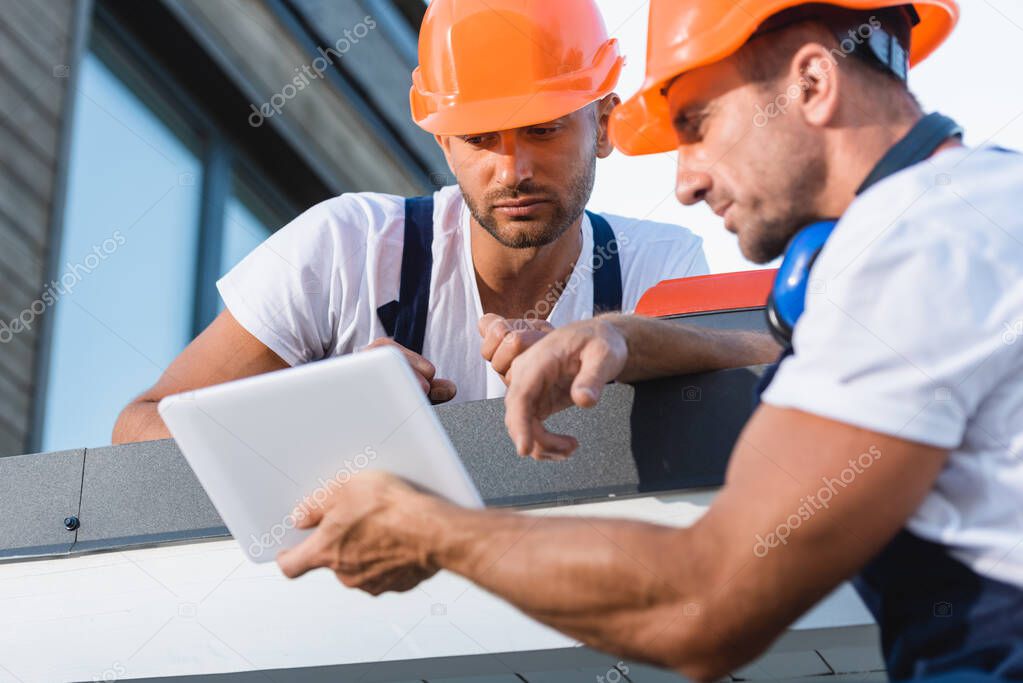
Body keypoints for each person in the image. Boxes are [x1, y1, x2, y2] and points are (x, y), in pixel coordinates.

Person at [275, 1, 1023, 680]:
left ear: (811, 83)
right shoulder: (969, 216)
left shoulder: (916, 250)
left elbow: (701, 603)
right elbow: (826, 373)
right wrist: (630, 336)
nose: (686, 181)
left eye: (695, 125)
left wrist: (429, 529)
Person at [112, 0, 777, 444]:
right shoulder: (344, 247)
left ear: (602, 124)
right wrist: (317, 410)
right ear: (442, 144)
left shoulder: (655, 267)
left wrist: (619, 350)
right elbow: (137, 429)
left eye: (542, 129)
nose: (511, 169)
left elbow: (755, 396)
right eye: (479, 138)